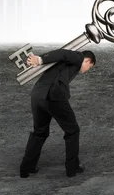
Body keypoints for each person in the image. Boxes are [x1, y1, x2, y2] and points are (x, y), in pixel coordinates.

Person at [19, 48, 96, 178]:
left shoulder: (63, 64)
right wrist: (39, 60)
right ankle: (72, 168)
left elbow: (61, 57)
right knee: (73, 131)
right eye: (90, 66)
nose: (87, 70)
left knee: (40, 132)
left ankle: (26, 168)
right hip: (54, 96)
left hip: (37, 95)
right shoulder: (78, 57)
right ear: (87, 60)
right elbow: (63, 53)